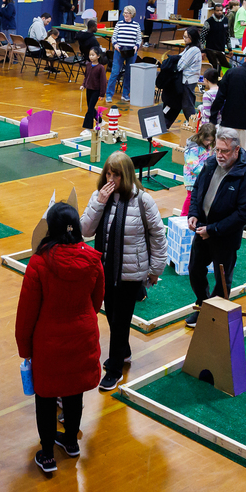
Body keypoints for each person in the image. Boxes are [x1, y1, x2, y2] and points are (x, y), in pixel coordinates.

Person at [15, 202, 103, 473]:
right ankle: (71, 442)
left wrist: (24, 347)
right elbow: (97, 300)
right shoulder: (93, 259)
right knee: (74, 391)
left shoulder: (39, 263)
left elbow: (26, 313)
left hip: (49, 342)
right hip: (83, 334)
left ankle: (47, 454)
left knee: (45, 396)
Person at [80, 152, 167, 389]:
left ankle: (115, 368)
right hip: (104, 270)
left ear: (125, 175)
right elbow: (86, 230)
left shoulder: (143, 200)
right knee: (113, 315)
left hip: (131, 273)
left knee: (121, 319)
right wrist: (98, 201)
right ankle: (124, 351)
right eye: (108, 173)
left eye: (115, 174)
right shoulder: (99, 197)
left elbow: (158, 235)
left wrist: (155, 269)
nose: (110, 178)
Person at [185, 126, 246, 326]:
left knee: (222, 281)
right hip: (202, 230)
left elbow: (244, 214)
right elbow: (197, 188)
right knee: (195, 270)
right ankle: (202, 305)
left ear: (236, 150)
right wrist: (193, 214)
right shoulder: (210, 164)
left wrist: (213, 230)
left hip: (224, 238)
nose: (219, 155)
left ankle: (216, 315)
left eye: (224, 151)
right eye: (217, 149)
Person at [211, 49, 246, 152]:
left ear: (245, 59)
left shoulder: (230, 73)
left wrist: (213, 118)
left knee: (224, 155)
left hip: (228, 122)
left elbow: (219, 97)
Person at [165, 26, 202, 127]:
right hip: (183, 80)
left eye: (186, 37)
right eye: (184, 36)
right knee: (175, 103)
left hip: (188, 81)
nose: (184, 39)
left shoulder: (194, 50)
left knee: (187, 105)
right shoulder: (188, 48)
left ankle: (194, 126)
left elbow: (180, 65)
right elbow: (179, 58)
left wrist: (173, 61)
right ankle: (165, 123)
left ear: (192, 38)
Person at [106, 6, 142, 103]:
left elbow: (139, 39)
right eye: (125, 13)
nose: (126, 15)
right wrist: (115, 45)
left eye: (128, 13)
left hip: (131, 52)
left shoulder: (136, 25)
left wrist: (136, 46)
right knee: (115, 72)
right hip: (119, 51)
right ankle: (109, 94)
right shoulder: (119, 24)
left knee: (128, 73)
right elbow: (114, 37)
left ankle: (125, 94)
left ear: (132, 14)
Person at [182, 123, 216, 216]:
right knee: (190, 197)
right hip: (192, 179)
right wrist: (207, 172)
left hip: (201, 177)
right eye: (207, 140)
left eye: (211, 140)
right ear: (201, 136)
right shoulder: (193, 148)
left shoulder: (206, 146)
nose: (209, 142)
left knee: (199, 197)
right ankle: (184, 215)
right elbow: (193, 166)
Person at [80, 46, 107, 135]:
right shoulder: (88, 65)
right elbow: (86, 76)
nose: (91, 57)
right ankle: (100, 120)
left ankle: (87, 128)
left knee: (90, 109)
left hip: (96, 90)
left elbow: (103, 81)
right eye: (90, 55)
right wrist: (83, 85)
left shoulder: (100, 68)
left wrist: (102, 94)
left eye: (93, 55)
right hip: (89, 89)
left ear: (98, 56)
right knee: (90, 107)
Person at [201, 3, 230, 71]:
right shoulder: (209, 22)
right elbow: (202, 37)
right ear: (214, 11)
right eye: (217, 10)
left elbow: (227, 35)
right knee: (214, 67)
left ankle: (219, 80)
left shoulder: (226, 20)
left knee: (222, 67)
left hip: (221, 49)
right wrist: (202, 50)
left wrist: (230, 48)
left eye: (221, 10)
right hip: (210, 49)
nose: (219, 12)